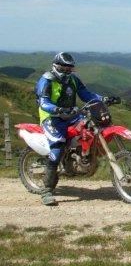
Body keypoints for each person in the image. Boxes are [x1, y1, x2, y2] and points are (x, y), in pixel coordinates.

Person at [35, 52, 118, 206]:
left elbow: (86, 94)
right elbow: (43, 102)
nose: (67, 71)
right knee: (57, 148)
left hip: (72, 114)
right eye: (64, 68)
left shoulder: (73, 79)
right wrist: (57, 109)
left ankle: (83, 157)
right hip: (52, 118)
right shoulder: (46, 80)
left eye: (70, 68)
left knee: (90, 128)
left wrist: (103, 99)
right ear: (56, 66)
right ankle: (47, 191)